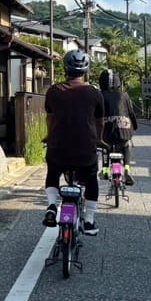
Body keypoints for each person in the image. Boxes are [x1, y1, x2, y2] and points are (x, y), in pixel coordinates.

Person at [42, 49, 104, 236]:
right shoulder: (95, 93)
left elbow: (50, 118)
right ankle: (89, 221)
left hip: (57, 149)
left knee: (53, 173)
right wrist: (99, 140)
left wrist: (48, 136)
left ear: (65, 68)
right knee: (92, 179)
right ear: (85, 70)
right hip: (85, 151)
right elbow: (99, 121)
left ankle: (52, 206)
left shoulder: (53, 91)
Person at [98, 69, 138, 186]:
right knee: (127, 145)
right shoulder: (124, 95)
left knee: (104, 147)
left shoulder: (100, 96)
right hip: (124, 131)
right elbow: (131, 113)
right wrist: (134, 126)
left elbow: (96, 114)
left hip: (106, 132)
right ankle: (127, 169)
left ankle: (105, 170)